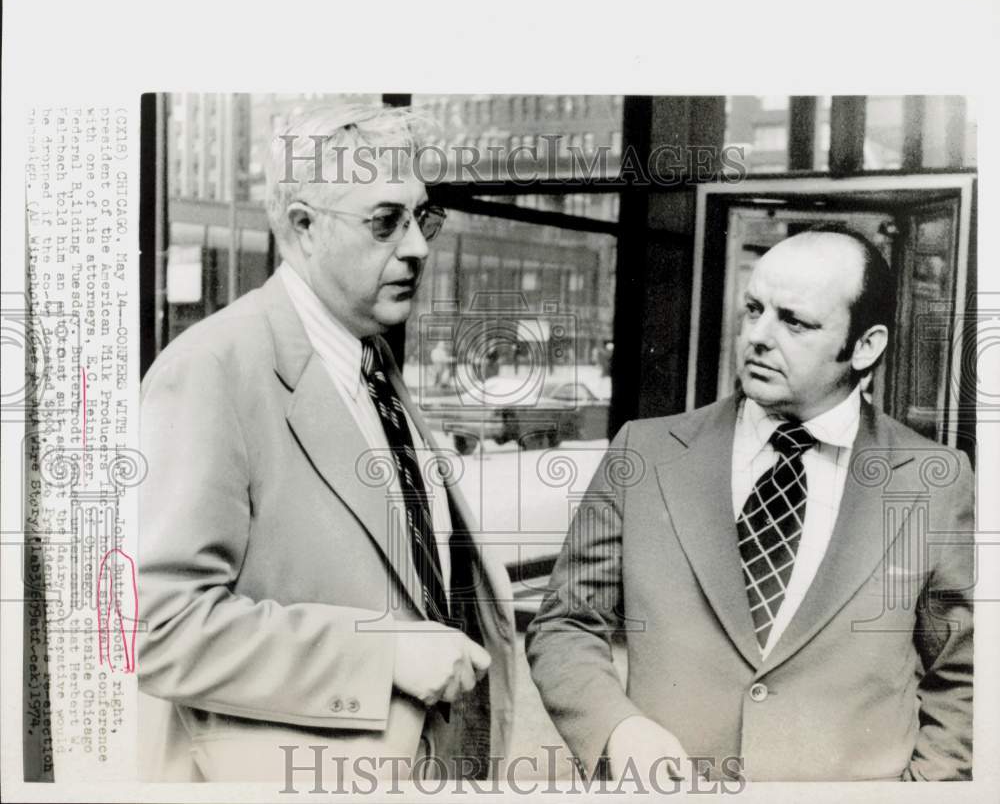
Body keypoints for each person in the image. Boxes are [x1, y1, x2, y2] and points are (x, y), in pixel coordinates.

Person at [138, 105, 516, 783]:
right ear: (302, 228)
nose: (418, 248)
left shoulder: (369, 361)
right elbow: (162, 630)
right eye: (384, 222)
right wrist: (382, 653)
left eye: (421, 217)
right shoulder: (212, 367)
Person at [526, 226, 974, 783]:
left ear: (866, 345)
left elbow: (965, 674)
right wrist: (617, 729)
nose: (758, 336)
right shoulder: (644, 452)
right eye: (754, 309)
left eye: (794, 321)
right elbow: (565, 623)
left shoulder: (934, 480)